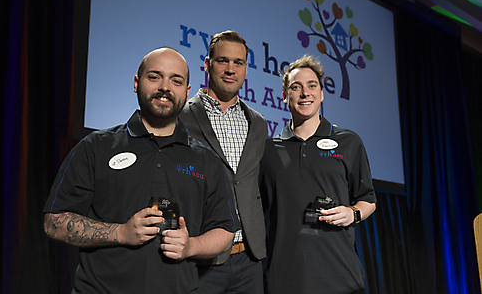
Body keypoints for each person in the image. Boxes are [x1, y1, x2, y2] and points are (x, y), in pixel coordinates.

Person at [43, 47, 236, 293]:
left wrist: (191, 247)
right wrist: (120, 233)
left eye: (176, 80)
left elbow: (225, 231)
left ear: (187, 92)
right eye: (154, 77)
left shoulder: (207, 160)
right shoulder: (96, 146)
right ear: (137, 83)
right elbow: (53, 222)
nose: (165, 87)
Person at [259, 54, 377, 294]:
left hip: (340, 275)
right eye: (296, 87)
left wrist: (352, 214)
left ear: (322, 94)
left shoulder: (348, 142)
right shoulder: (268, 151)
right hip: (285, 278)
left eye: (312, 86)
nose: (305, 93)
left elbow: (368, 200)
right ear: (284, 96)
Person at [179, 30, 267, 294]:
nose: (231, 69)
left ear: (246, 70)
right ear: (207, 64)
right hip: (202, 259)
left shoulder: (258, 123)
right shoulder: (181, 117)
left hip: (250, 260)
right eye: (222, 61)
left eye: (238, 63)